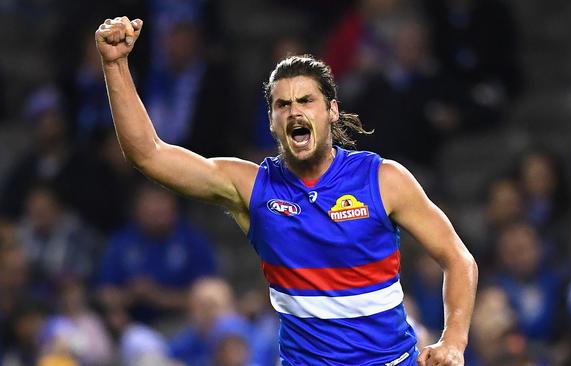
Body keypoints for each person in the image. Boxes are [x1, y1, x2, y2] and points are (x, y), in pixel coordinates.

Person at [95, 16, 478, 365]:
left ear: (331, 110)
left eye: (306, 101)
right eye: (283, 104)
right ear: (272, 121)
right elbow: (149, 154)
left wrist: (454, 341)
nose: (295, 111)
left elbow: (459, 259)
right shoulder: (250, 187)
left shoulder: (383, 178)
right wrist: (115, 65)